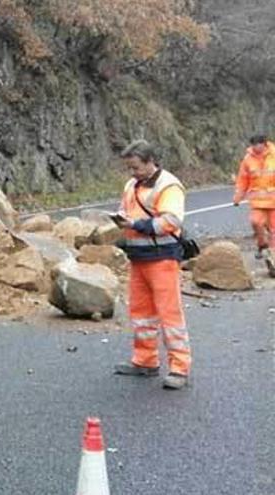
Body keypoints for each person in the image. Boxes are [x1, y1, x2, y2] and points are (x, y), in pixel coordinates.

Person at [111, 140, 190, 390]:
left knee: (170, 315)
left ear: (150, 161)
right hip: (139, 257)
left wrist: (135, 225)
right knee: (141, 313)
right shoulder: (131, 185)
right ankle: (145, 361)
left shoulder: (169, 185)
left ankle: (180, 368)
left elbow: (170, 221)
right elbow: (126, 212)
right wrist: (123, 223)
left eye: (135, 167)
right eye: (130, 168)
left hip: (163, 258)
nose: (132, 173)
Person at [233, 134, 275, 276]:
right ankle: (262, 244)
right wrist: (238, 197)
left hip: (274, 201)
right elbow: (242, 179)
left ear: (264, 144)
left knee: (273, 230)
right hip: (257, 201)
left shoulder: (274, 155)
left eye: (259, 145)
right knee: (256, 222)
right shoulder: (248, 159)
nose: (256, 148)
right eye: (254, 145)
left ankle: (272, 258)